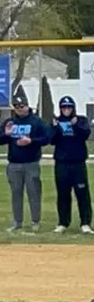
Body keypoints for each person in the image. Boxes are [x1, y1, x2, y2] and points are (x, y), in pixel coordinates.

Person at [0, 96, 52, 232]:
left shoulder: (36, 122)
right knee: (16, 194)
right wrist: (7, 134)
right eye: (16, 106)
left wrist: (31, 141)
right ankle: (17, 222)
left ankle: (35, 221)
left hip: (31, 163)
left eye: (22, 106)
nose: (19, 109)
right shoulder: (10, 121)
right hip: (14, 164)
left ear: (27, 106)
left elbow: (46, 138)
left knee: (34, 193)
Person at [49, 96, 92, 234]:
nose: (66, 110)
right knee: (63, 194)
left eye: (69, 107)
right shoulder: (56, 121)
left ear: (73, 108)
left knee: (82, 194)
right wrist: (55, 128)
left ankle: (85, 223)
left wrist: (75, 125)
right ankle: (63, 222)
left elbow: (85, 135)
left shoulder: (81, 120)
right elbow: (51, 140)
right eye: (64, 107)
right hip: (62, 163)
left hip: (78, 163)